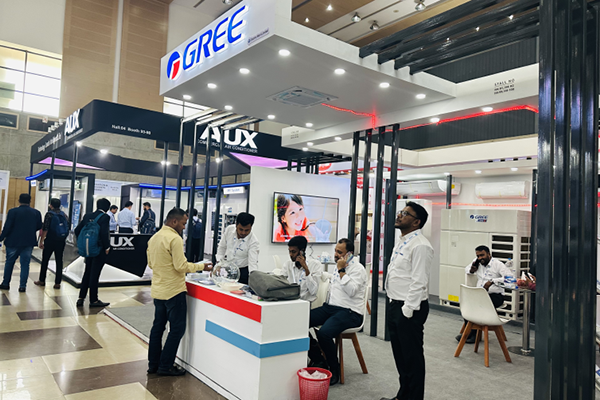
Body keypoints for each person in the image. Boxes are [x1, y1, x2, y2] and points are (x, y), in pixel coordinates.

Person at [147, 207, 212, 376]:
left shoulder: (154, 238)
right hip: (174, 292)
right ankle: (165, 366)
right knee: (177, 329)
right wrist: (201, 266)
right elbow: (181, 266)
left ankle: (153, 364)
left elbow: (151, 264)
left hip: (158, 290)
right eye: (183, 223)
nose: (184, 227)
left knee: (157, 328)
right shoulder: (174, 239)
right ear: (174, 221)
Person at [381, 202, 434, 400]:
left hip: (410, 308)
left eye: (405, 213)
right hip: (395, 304)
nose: (399, 215)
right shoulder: (403, 241)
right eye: (401, 212)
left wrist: (408, 310)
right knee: (401, 357)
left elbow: (419, 280)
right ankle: (403, 396)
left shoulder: (421, 245)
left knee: (412, 359)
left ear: (416, 222)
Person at [308, 238, 367, 386]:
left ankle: (334, 368)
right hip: (331, 308)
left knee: (324, 333)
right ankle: (318, 358)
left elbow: (352, 291)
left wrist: (341, 271)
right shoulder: (338, 265)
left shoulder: (358, 269)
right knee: (300, 321)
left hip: (351, 312)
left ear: (349, 254)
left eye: (339, 252)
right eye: (335, 251)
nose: (335, 254)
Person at [455, 245, 512, 344]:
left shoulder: (497, 264)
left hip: (495, 295)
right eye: (478, 256)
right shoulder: (477, 262)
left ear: (489, 254)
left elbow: (510, 278)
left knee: (477, 306)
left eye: (482, 255)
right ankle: (470, 333)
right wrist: (471, 270)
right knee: (467, 305)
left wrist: (493, 281)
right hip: (480, 295)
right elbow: (466, 269)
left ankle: (472, 334)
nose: (480, 258)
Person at [0, 193, 43, 292]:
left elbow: (7, 227)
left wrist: (1, 238)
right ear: (30, 201)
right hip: (28, 242)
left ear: (19, 200)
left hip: (13, 241)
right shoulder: (36, 213)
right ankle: (22, 286)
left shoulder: (12, 212)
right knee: (25, 264)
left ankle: (5, 283)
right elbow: (38, 226)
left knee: (9, 262)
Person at [74, 198, 111, 307]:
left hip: (88, 249)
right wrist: (107, 247)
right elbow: (104, 233)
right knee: (95, 274)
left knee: (87, 272)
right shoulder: (105, 217)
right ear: (107, 207)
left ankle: (81, 298)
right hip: (98, 249)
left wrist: (84, 242)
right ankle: (94, 300)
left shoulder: (87, 215)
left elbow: (77, 230)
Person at [34, 198, 69, 289]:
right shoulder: (64, 215)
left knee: (45, 260)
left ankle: (42, 280)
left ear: (51, 205)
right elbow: (67, 227)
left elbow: (45, 228)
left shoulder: (49, 214)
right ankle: (57, 283)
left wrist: (41, 241)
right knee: (59, 261)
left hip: (50, 240)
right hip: (60, 241)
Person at [216, 212, 259, 285]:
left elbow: (253, 263)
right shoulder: (229, 230)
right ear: (236, 225)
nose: (243, 233)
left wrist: (254, 280)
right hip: (228, 268)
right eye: (241, 229)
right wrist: (219, 264)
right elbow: (222, 247)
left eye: (247, 230)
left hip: (242, 271)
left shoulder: (253, 242)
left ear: (251, 227)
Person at [280, 236, 323, 303]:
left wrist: (306, 269)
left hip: (306, 303)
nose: (290, 255)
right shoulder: (288, 264)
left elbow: (313, 291)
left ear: (302, 251)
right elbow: (280, 283)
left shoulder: (315, 265)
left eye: (293, 252)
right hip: (290, 301)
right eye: (289, 251)